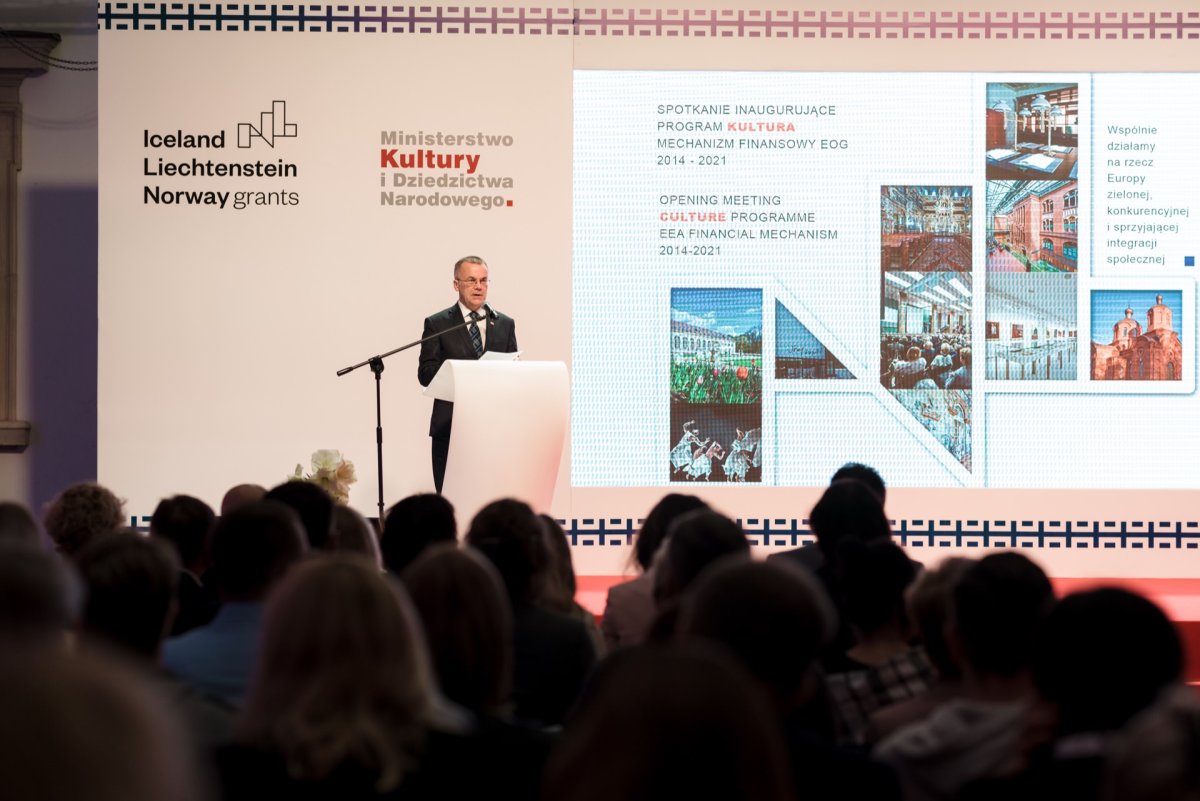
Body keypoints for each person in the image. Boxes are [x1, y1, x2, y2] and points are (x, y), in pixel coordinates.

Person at [417, 256, 519, 494]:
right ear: (456, 284)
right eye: (471, 280)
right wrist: (464, 373)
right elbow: (425, 373)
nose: (479, 286)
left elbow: (515, 372)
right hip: (450, 426)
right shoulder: (438, 323)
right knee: (452, 497)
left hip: (493, 427)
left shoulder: (504, 323)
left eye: (483, 280)